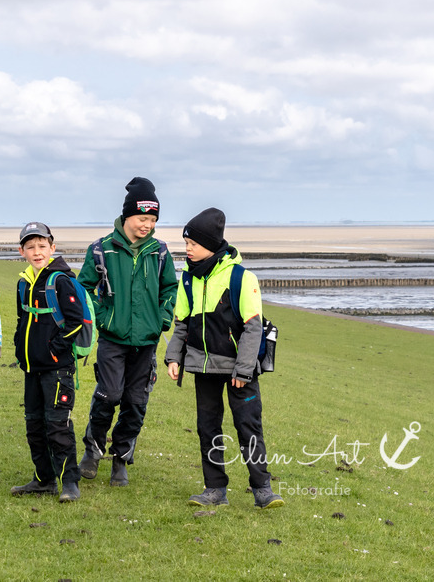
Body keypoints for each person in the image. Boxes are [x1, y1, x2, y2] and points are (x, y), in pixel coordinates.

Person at [164, 207, 284, 508]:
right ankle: (214, 489)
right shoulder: (188, 279)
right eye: (186, 243)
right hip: (202, 367)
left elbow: (253, 327)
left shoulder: (242, 277)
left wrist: (243, 371)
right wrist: (173, 358)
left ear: (210, 244)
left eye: (192, 243)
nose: (187, 249)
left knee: (248, 426)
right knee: (207, 426)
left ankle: (262, 489)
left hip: (239, 371)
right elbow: (181, 323)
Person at [77, 177, 178, 486]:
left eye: (152, 219)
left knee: (135, 402)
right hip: (112, 339)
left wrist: (161, 319)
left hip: (146, 341)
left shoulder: (159, 252)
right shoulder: (101, 249)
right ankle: (92, 451)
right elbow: (83, 288)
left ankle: (121, 459)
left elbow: (170, 289)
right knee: (109, 396)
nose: (146, 225)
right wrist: (104, 316)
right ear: (126, 216)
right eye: (141, 218)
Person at [11, 222, 85, 503]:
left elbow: (76, 323)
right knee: (34, 425)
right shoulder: (23, 282)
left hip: (57, 369)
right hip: (31, 368)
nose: (37, 251)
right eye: (30, 246)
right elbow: (22, 320)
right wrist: (21, 350)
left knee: (58, 425)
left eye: (42, 246)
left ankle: (69, 483)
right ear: (22, 251)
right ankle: (43, 480)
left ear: (52, 248)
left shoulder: (61, 280)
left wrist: (54, 351)